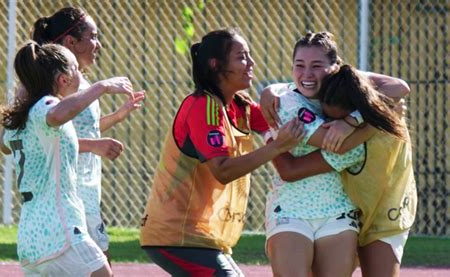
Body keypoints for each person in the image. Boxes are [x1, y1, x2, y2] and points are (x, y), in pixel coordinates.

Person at [139, 28, 304, 276]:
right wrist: (277, 146)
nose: (251, 63)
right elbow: (223, 170)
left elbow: (281, 116)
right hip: (176, 235)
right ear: (216, 65)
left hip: (204, 238)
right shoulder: (203, 106)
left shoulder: (241, 105)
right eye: (241, 57)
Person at [260, 32, 411, 277]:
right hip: (290, 212)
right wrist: (379, 118)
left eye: (316, 66)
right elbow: (340, 147)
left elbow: (400, 87)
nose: (307, 74)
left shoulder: (351, 93)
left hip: (346, 211)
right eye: (299, 65)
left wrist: (353, 120)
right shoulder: (287, 104)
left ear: (335, 67)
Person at [0, 42, 134, 276]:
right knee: (102, 273)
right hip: (60, 228)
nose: (80, 76)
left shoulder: (24, 117)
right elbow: (57, 113)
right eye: (75, 70)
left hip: (30, 234)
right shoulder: (46, 105)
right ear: (62, 79)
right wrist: (102, 87)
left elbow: (3, 145)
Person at [31, 6, 145, 260]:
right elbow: (47, 138)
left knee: (99, 265)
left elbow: (79, 131)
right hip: (67, 191)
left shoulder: (81, 83)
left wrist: (117, 116)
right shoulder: (57, 84)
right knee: (98, 267)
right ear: (71, 42)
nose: (98, 44)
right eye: (92, 36)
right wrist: (95, 145)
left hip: (88, 191)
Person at [313, 64, 416, 277]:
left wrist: (353, 122)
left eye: (338, 120)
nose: (333, 127)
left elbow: (401, 87)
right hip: (341, 213)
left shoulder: (388, 118)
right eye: (329, 120)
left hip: (385, 215)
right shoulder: (384, 111)